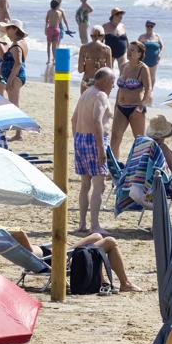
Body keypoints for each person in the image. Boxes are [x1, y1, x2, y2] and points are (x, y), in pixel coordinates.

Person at [6, 228, 143, 292]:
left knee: (96, 236)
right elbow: (24, 239)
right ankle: (125, 283)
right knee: (110, 241)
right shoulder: (31, 252)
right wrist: (20, 234)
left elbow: (23, 241)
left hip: (65, 254)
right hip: (69, 259)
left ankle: (104, 281)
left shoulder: (24, 253)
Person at [73, 68, 115, 235]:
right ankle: (95, 225)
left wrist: (76, 140)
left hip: (80, 138)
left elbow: (73, 119)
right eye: (112, 82)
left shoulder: (86, 93)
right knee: (99, 185)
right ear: (104, 81)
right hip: (94, 140)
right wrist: (100, 148)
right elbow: (97, 120)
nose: (113, 86)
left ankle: (82, 223)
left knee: (85, 185)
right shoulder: (100, 95)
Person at [111, 41, 152, 159]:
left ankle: (140, 168)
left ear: (139, 54)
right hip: (121, 107)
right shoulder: (124, 66)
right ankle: (114, 168)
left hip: (136, 109)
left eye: (133, 50)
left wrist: (141, 107)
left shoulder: (143, 68)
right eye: (128, 49)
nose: (129, 52)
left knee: (139, 141)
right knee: (115, 138)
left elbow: (149, 89)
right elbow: (120, 88)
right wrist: (116, 105)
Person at [0, 20, 28, 120]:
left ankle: (19, 133)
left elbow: (18, 63)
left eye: (8, 28)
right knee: (14, 104)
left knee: (14, 105)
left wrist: (9, 81)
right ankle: (18, 132)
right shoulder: (22, 42)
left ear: (15, 29)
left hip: (15, 77)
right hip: (18, 76)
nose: (6, 31)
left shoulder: (16, 44)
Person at [77, 27, 113, 94]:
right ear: (103, 36)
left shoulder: (83, 48)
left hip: (87, 80)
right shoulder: (107, 49)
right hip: (101, 81)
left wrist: (88, 64)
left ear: (91, 36)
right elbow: (109, 70)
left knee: (85, 103)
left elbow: (80, 70)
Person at [43, 0, 69, 66]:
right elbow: (60, 21)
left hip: (50, 29)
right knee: (54, 47)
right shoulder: (60, 13)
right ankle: (55, 60)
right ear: (57, 6)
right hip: (57, 30)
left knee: (48, 45)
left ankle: (48, 60)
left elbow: (46, 21)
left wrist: (45, 28)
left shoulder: (49, 12)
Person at [138, 21, 163, 88]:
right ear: (145, 26)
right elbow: (136, 47)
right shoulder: (142, 37)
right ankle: (142, 90)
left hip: (154, 60)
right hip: (144, 59)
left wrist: (160, 53)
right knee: (143, 76)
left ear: (153, 27)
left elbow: (162, 46)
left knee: (152, 76)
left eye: (151, 26)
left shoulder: (157, 36)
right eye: (148, 26)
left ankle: (150, 91)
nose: (149, 27)